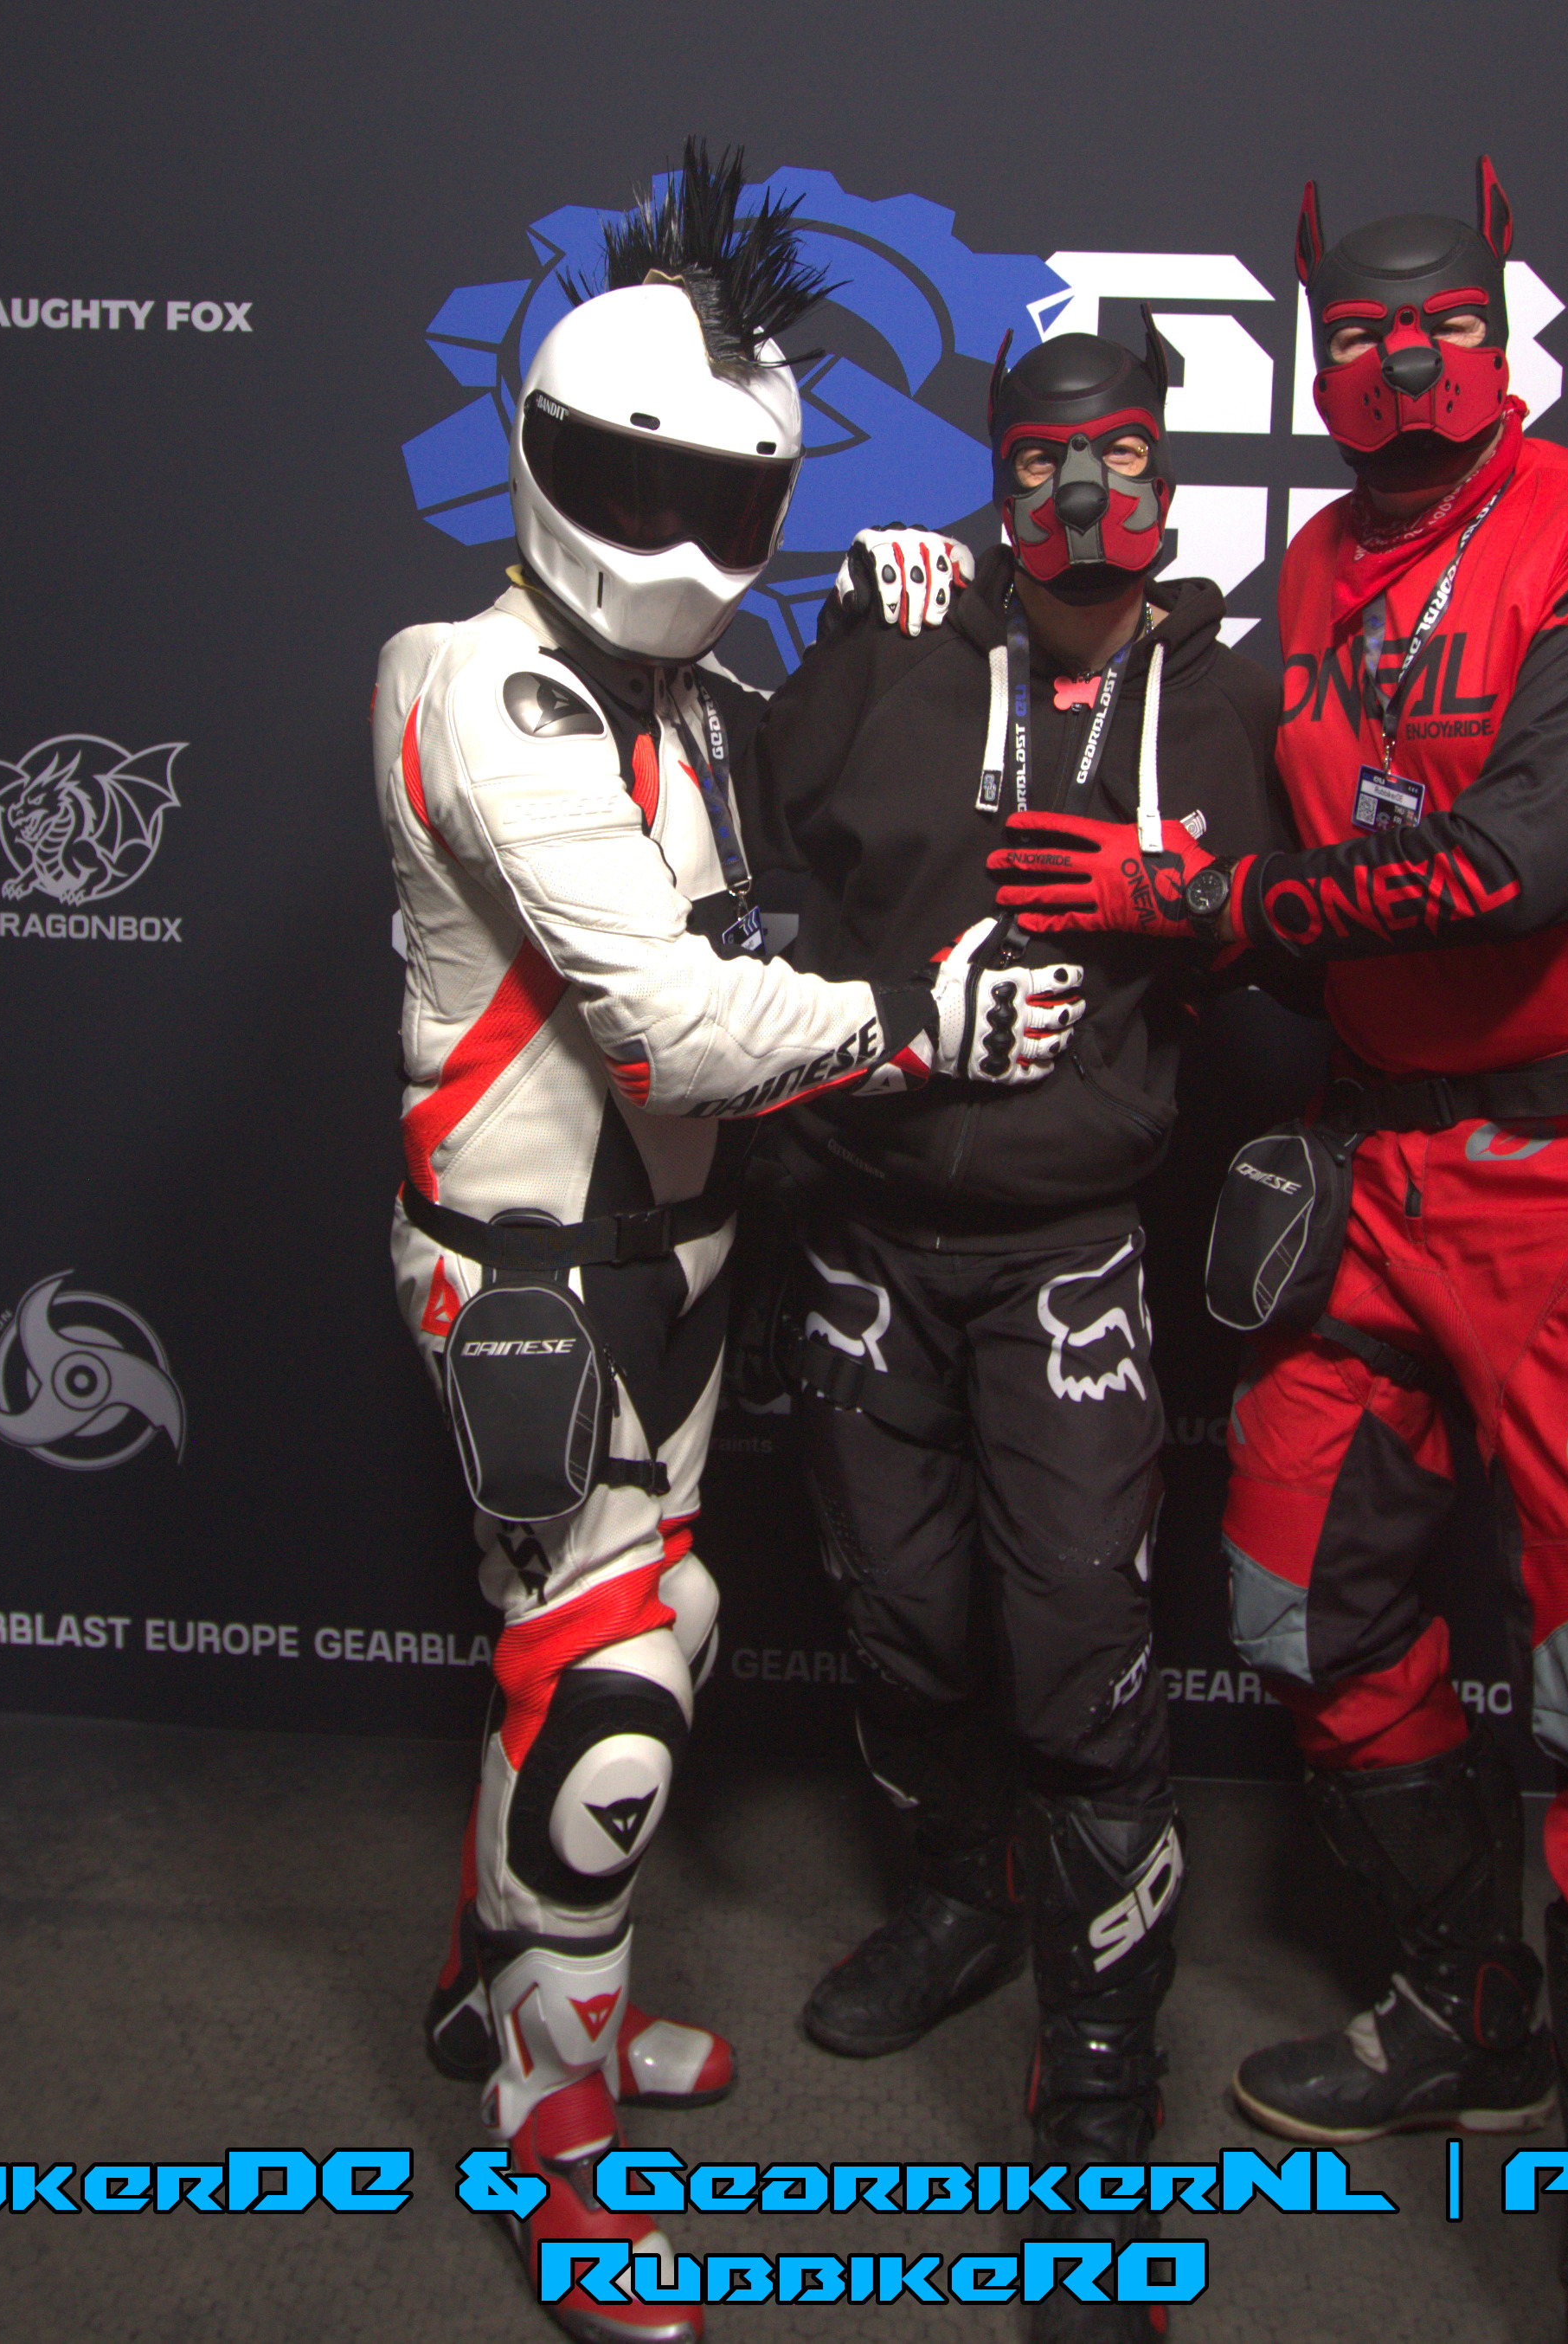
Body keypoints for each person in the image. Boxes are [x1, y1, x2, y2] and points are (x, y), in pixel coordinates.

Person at [990, 164, 1568, 2344]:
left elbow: (1517, 865)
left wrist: (1207, 908)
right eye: (1357, 337)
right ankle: (1465, 2000)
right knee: (1290, 1598)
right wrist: (943, 600)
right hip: (1379, 1158)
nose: (1402, 368)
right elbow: (1182, 736)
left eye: (1442, 330)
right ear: (1311, 357)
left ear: (1504, 335)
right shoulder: (1315, 566)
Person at [378, 144, 1087, 2344]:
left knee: (614, 1628)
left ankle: (494, 1986)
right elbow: (675, 1024)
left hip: (673, 1265)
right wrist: (920, 1022)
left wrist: (885, 615)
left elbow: (807, 820)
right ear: (542, 455)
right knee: (609, 1698)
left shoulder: (678, 699)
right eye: (638, 486)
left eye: (731, 503)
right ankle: (552, 2126)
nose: (683, 545)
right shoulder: (478, 684)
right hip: (532, 1274)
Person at [748, 326, 1284, 2342]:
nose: (1081, 498)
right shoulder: (898, 638)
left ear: (1166, 475)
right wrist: (837, 630)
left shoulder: (1224, 696)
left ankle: (1099, 2095)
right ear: (996, 476)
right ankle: (956, 1903)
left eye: (1120, 458)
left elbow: (1311, 926)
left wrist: (1190, 899)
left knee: (1075, 1640)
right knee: (896, 1612)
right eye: (1044, 462)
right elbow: (752, 834)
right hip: (863, 1226)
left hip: (1066, 1240)